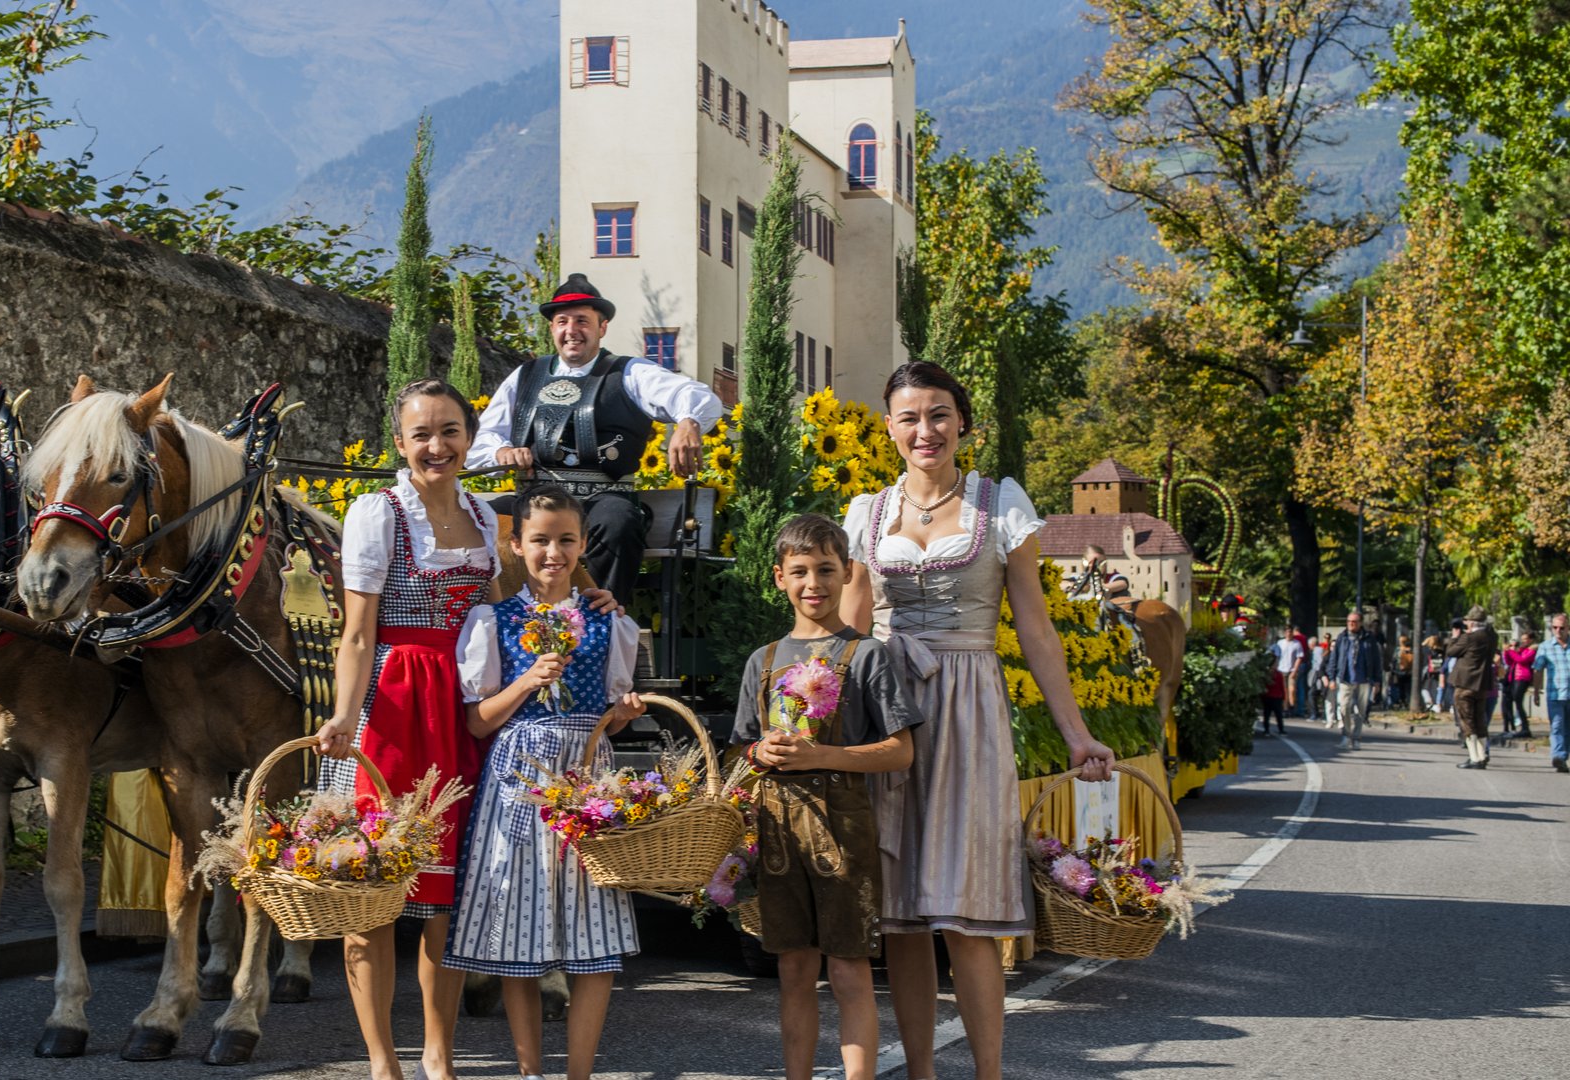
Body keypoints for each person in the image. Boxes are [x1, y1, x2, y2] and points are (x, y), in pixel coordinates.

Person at [842, 361, 1116, 1080]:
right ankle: (923, 1075)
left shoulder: (1001, 504)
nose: (924, 430)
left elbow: (1035, 626)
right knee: (901, 914)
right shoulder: (866, 511)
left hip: (968, 706)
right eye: (909, 417)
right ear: (890, 428)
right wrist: (806, 720)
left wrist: (1076, 732)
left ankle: (989, 1073)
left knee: (965, 914)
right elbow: (843, 633)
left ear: (962, 422)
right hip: (886, 710)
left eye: (938, 414)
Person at [315, 378, 500, 1080]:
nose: (436, 445)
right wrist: (342, 714)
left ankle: (438, 1053)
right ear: (400, 443)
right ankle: (382, 1059)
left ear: (469, 440)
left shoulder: (485, 518)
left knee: (443, 900)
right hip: (391, 705)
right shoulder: (379, 513)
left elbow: (502, 617)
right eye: (422, 433)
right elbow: (357, 634)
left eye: (449, 430)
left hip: (455, 708)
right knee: (374, 893)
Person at [445, 485, 645, 1080]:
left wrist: (624, 714)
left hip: (587, 775)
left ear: (583, 545)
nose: (552, 553)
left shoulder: (609, 622)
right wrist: (527, 679)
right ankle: (532, 1071)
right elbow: (476, 721)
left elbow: (612, 708)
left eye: (565, 540)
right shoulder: (493, 620)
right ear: (516, 545)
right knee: (518, 938)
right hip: (518, 781)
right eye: (539, 541)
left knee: (594, 929)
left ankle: (578, 1073)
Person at [732, 514, 920, 1080]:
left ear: (845, 575)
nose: (813, 583)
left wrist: (824, 757)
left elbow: (900, 751)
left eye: (825, 570)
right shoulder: (762, 661)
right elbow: (742, 744)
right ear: (779, 578)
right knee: (792, 968)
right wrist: (758, 754)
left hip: (843, 830)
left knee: (848, 970)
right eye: (800, 572)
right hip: (778, 832)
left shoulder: (868, 655)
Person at [468, 273, 723, 604]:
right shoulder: (525, 376)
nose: (571, 330)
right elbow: (482, 439)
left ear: (602, 328)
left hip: (602, 500)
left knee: (619, 522)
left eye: (582, 321)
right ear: (552, 329)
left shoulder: (630, 372)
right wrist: (501, 451)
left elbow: (696, 394)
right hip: (533, 502)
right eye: (562, 321)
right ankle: (506, 618)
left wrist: (688, 422)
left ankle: (600, 620)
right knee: (478, 519)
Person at [1445, 606, 1500, 770]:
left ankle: (1474, 757)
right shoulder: (1492, 637)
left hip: (1465, 683)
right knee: (1480, 720)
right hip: (1482, 684)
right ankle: (1482, 755)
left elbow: (1451, 652)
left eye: (1467, 620)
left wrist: (1455, 637)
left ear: (1472, 622)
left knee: (1466, 721)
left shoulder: (1469, 638)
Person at [1328, 612, 1383, 750]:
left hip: (1364, 679)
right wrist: (1331, 677)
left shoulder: (1369, 639)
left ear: (1360, 623)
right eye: (1349, 621)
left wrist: (1377, 680)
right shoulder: (1342, 637)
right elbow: (1334, 658)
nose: (1351, 624)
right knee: (1344, 707)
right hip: (1346, 677)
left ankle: (1356, 737)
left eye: (1354, 621)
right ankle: (1346, 735)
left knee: (1361, 710)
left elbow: (1376, 660)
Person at [1533, 614, 1570, 773]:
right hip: (1555, 695)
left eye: (1562, 628)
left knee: (1568, 728)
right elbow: (1538, 670)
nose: (1558, 631)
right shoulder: (1545, 646)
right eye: (1555, 627)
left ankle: (1564, 756)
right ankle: (1558, 756)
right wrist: (1536, 691)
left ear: (1568, 628)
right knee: (1557, 727)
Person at [1501, 630, 1538, 739]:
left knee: (1518, 700)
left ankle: (1525, 727)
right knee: (1514, 701)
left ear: (1531, 640)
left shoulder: (1532, 650)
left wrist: (1511, 652)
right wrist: (1506, 652)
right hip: (1515, 677)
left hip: (1523, 677)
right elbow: (1510, 662)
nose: (1523, 642)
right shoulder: (1522, 650)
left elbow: (1521, 660)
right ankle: (1520, 727)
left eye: (1525, 639)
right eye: (1522, 640)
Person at [1258, 628, 1287, 738]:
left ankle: (1272, 730)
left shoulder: (1275, 674)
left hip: (1272, 696)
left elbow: (1281, 685)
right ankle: (1273, 729)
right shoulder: (1272, 674)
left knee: (1272, 714)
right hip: (1272, 697)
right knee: (1271, 714)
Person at [1273, 626, 1306, 717]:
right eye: (1287, 632)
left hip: (1291, 669)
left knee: (1292, 690)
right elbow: (1276, 656)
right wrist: (1275, 667)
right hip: (1281, 669)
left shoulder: (1296, 644)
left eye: (1290, 632)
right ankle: (1285, 708)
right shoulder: (1280, 643)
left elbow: (1299, 657)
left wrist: (1295, 670)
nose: (1289, 634)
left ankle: (1292, 706)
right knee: (1284, 691)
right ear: (1285, 633)